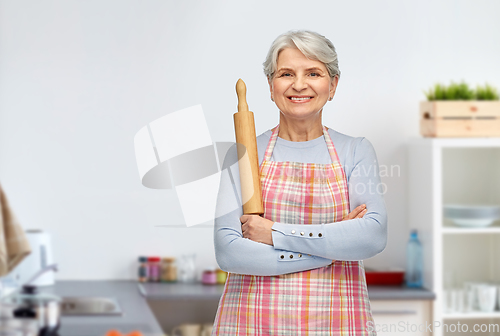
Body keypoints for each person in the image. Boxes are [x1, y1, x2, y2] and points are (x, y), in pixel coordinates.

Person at [211, 30, 387, 335]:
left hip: (336, 321)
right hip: (252, 321)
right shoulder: (242, 154)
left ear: (332, 85)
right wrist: (330, 250)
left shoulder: (355, 151)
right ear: (271, 86)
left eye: (314, 73)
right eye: (286, 73)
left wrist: (274, 232)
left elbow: (371, 236)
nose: (299, 84)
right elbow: (230, 253)